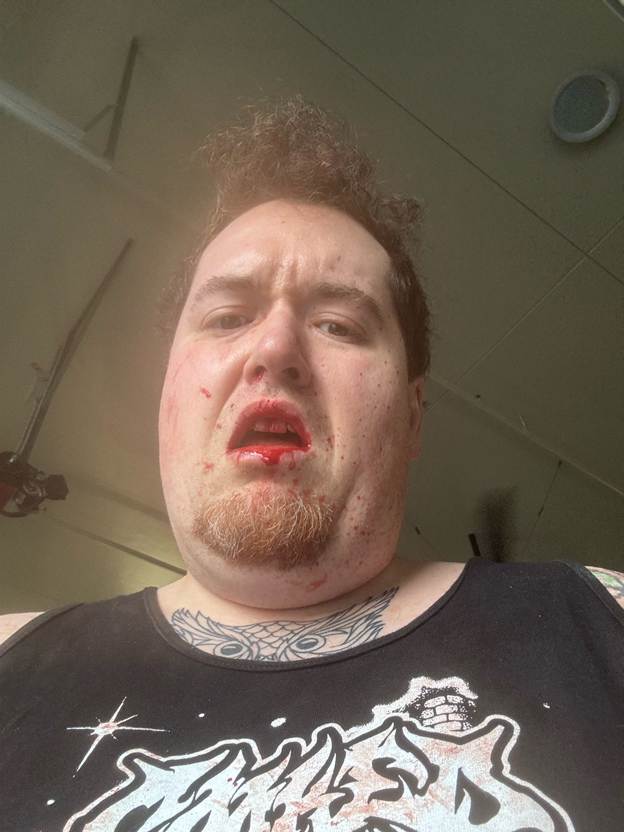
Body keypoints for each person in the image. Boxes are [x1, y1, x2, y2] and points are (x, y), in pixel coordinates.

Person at [1, 96, 622, 831]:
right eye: (227, 317)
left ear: (413, 413)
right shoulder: (12, 661)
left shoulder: (600, 619)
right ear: (167, 388)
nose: (273, 350)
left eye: (338, 324)